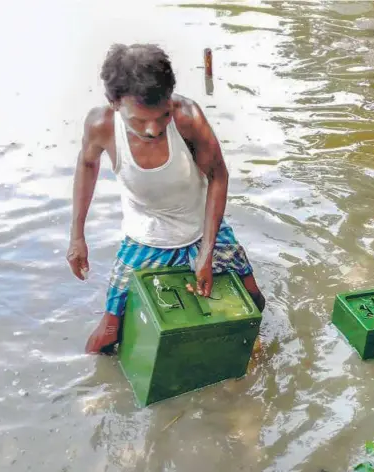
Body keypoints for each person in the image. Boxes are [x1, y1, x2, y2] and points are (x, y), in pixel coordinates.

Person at [66, 43, 265, 354]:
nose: (154, 128)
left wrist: (207, 253)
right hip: (145, 238)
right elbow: (87, 166)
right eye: (140, 120)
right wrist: (77, 235)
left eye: (162, 116)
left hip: (200, 229)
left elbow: (218, 177)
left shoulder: (188, 118)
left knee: (254, 300)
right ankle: (97, 391)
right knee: (106, 334)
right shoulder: (101, 125)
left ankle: (250, 355)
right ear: (115, 103)